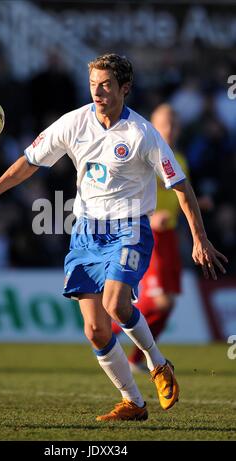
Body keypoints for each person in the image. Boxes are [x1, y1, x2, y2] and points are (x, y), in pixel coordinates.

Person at [0, 54, 227, 422]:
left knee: (116, 303)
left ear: (125, 88)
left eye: (106, 84)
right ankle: (134, 403)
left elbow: (180, 185)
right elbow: (30, 160)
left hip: (130, 228)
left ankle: (158, 364)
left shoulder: (142, 134)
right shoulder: (74, 122)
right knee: (94, 329)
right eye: (93, 84)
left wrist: (199, 239)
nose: (98, 91)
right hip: (86, 231)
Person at [112, 103, 189, 371]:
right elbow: (131, 191)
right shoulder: (145, 156)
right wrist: (149, 215)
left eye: (174, 124)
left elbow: (179, 196)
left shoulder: (180, 159)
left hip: (170, 236)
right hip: (149, 232)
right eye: (165, 123)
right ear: (153, 126)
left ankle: (136, 359)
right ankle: (109, 324)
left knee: (169, 304)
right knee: (160, 300)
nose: (170, 129)